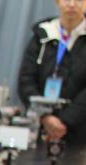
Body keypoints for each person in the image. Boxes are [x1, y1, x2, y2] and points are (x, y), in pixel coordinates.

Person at [18, 0, 86, 145]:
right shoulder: (42, 35)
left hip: (79, 132)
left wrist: (64, 121)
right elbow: (26, 79)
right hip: (38, 128)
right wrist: (45, 117)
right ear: (57, 2)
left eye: (79, 0)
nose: (72, 4)